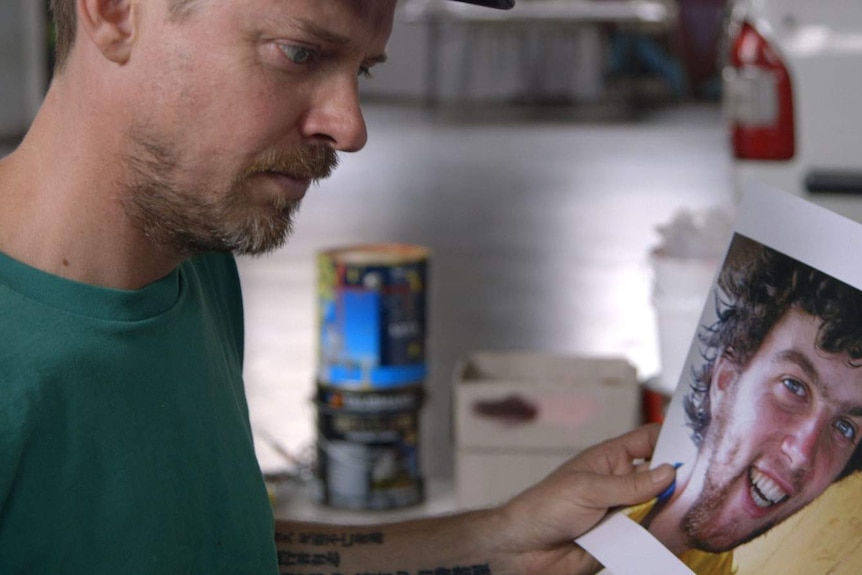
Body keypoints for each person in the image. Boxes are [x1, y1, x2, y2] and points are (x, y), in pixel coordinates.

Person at [0, 0, 677, 573]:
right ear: (115, 11)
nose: (349, 127)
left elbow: (205, 547)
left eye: (362, 69)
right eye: (298, 52)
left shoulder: (191, 267)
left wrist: (498, 540)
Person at [626, 234, 862, 574]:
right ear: (725, 379)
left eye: (844, 427)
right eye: (794, 386)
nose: (802, 454)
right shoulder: (588, 522)